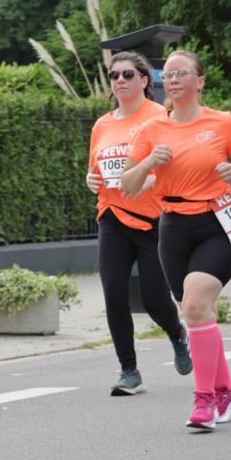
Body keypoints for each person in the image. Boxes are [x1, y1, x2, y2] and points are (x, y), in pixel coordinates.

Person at [121, 50, 231, 430]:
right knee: (195, 312)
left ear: (200, 81)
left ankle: (205, 402)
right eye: (168, 74)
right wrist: (149, 163)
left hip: (218, 223)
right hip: (173, 227)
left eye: (182, 72)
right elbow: (127, 184)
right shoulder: (151, 131)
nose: (175, 79)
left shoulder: (222, 122)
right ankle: (226, 387)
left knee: (196, 301)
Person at [87, 50, 192, 396]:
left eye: (128, 74)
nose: (120, 80)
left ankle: (177, 333)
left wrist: (150, 178)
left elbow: (177, 163)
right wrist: (90, 180)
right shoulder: (102, 124)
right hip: (112, 217)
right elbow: (97, 169)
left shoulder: (161, 116)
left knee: (154, 299)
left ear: (145, 81)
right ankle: (128, 371)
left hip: (154, 220)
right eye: (115, 75)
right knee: (114, 293)